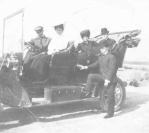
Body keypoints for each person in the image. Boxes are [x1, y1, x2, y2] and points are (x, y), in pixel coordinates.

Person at [78, 41, 118, 119]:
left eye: (102, 48)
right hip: (103, 77)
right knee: (91, 76)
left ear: (107, 48)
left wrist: (107, 80)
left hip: (111, 80)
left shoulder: (111, 57)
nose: (101, 50)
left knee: (110, 96)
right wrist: (85, 67)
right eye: (100, 48)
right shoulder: (101, 57)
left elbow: (112, 70)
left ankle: (110, 113)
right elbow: (95, 64)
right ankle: (87, 91)